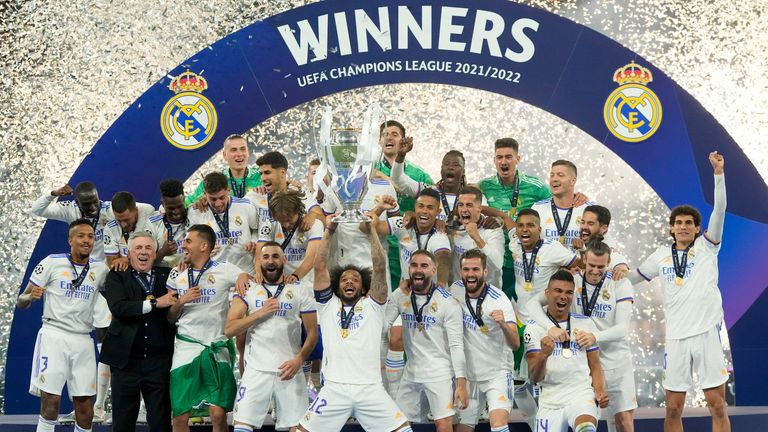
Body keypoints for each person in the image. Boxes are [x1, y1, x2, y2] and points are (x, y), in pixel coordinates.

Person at [629, 152, 730, 432]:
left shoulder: (708, 247)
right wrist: (602, 273)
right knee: (673, 408)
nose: (683, 227)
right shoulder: (660, 255)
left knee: (717, 405)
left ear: (698, 228)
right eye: (678, 223)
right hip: (676, 337)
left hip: (706, 332)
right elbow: (631, 279)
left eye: (688, 223)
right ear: (671, 229)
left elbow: (719, 209)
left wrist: (718, 174)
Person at [298, 214, 412, 432]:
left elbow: (379, 267)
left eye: (355, 279)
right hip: (334, 390)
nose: (349, 280)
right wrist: (329, 230)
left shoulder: (374, 305)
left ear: (363, 288)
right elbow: (319, 267)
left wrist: (371, 230)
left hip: (370, 389)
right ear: (337, 286)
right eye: (344, 279)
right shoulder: (327, 304)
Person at [526, 241, 636, 432]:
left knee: (623, 421)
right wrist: (550, 328)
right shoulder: (571, 281)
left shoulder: (620, 282)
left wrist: (594, 336)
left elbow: (622, 330)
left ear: (609, 263)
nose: (595, 271)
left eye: (601, 266)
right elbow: (532, 305)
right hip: (579, 361)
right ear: (584, 260)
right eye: (591, 265)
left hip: (613, 358)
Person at [17, 219, 109, 432]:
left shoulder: (100, 269)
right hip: (54, 335)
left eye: (90, 237)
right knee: (51, 402)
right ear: (70, 240)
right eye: (81, 236)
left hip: (84, 339)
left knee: (86, 408)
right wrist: (31, 297)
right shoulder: (51, 262)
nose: (86, 241)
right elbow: (21, 301)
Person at [166, 224, 250, 432]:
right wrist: (181, 301)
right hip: (186, 347)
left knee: (218, 414)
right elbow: (169, 317)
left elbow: (247, 279)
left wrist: (242, 276)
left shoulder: (225, 269)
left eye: (188, 241)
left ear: (204, 246)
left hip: (216, 346)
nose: (183, 245)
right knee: (180, 414)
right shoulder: (177, 274)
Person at [225, 242, 318, 432]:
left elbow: (313, 334)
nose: (270, 261)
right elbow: (230, 329)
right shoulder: (248, 288)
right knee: (241, 426)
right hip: (257, 370)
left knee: (298, 429)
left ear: (284, 260)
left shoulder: (300, 290)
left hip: (289, 370)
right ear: (258, 261)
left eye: (275, 256)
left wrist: (299, 360)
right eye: (265, 257)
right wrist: (260, 313)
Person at [506, 208, 581, 429]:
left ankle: (557, 421)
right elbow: (507, 223)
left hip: (546, 321)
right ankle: (537, 424)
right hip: (521, 322)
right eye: (521, 226)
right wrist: (492, 213)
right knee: (518, 383)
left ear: (540, 229)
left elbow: (580, 264)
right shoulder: (514, 243)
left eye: (530, 226)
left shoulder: (552, 249)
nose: (524, 230)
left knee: (546, 380)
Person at [100, 232, 178, 432]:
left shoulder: (168, 275)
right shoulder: (117, 275)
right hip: (125, 362)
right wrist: (154, 303)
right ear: (129, 253)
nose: (143, 252)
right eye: (138, 248)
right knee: (123, 423)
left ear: (155, 253)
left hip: (158, 361)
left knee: (160, 422)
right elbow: (119, 308)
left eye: (148, 248)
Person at [386, 251, 468, 432]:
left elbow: (456, 345)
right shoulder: (400, 296)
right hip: (412, 372)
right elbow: (384, 325)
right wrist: (398, 291)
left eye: (424, 266)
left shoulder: (448, 303)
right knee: (399, 425)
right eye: (414, 265)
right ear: (409, 269)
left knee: (443, 424)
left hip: (439, 373)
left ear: (433, 270)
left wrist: (461, 383)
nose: (418, 270)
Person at [524, 270, 608, 432]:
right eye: (558, 291)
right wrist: (543, 355)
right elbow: (535, 378)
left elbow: (595, 365)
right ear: (547, 293)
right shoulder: (534, 328)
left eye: (569, 292)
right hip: (550, 400)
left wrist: (599, 391)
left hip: (581, 395)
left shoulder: (585, 323)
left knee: (586, 429)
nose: (564, 296)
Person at [452, 249, 519, 432]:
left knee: (498, 425)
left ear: (485, 271)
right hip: (469, 377)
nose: (471, 274)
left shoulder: (499, 300)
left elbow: (515, 344)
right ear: (460, 271)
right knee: (462, 428)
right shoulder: (455, 290)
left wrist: (504, 325)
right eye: (466, 269)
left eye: (475, 269)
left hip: (496, 374)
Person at [477, 138, 551, 300]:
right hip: (497, 260)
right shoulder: (484, 185)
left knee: (525, 309)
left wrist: (579, 197)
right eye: (500, 157)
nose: (504, 161)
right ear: (494, 160)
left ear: (518, 159)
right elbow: (465, 199)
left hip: (525, 260)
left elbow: (559, 204)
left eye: (509, 157)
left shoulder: (536, 187)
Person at [373, 120, 434, 289]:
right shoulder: (369, 168)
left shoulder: (418, 174)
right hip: (380, 238)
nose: (389, 138)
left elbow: (435, 200)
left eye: (394, 134)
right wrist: (384, 178)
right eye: (385, 134)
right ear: (379, 141)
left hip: (409, 240)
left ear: (403, 140)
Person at [30, 181, 148, 260]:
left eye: (94, 201)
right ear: (77, 202)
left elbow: (146, 209)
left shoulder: (109, 209)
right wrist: (54, 194)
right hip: (85, 265)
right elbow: (37, 209)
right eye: (87, 204)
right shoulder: (70, 210)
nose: (92, 207)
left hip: (109, 264)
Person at [187, 172, 260, 275]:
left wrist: (254, 241)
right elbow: (189, 243)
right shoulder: (196, 212)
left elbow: (257, 229)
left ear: (228, 190)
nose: (218, 203)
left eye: (222, 198)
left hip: (246, 271)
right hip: (213, 275)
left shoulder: (245, 205)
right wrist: (200, 252)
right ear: (205, 193)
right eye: (213, 199)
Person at [531, 160, 594, 251]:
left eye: (560, 175)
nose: (554, 179)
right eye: (552, 175)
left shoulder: (590, 209)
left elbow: (605, 243)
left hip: (580, 264)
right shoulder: (537, 209)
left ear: (573, 181)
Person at [245, 151, 323, 224]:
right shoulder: (255, 195)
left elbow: (323, 219)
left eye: (267, 173)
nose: (263, 178)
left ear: (282, 173)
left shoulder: (299, 194)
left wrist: (313, 215)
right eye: (261, 174)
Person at [185, 134, 262, 206]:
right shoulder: (214, 180)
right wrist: (198, 203)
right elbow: (186, 203)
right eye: (233, 150)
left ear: (248, 153)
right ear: (224, 155)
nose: (239, 154)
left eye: (243, 149)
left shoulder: (260, 176)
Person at [452, 186, 505, 287]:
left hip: (488, 294)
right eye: (460, 205)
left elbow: (498, 264)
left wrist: (477, 238)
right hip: (459, 292)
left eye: (469, 205)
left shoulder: (493, 230)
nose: (463, 210)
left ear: (479, 208)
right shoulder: (453, 227)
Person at [104, 191, 161, 271]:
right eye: (119, 220)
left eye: (126, 220)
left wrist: (127, 260)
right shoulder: (110, 228)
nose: (123, 225)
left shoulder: (149, 219)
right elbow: (113, 263)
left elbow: (150, 255)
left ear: (136, 210)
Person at [572, 205, 630, 280]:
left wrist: (620, 272)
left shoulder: (607, 248)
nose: (584, 227)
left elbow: (622, 269)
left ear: (603, 228)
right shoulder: (574, 240)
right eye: (583, 222)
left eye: (590, 224)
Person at [151, 179, 189, 268]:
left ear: (184, 199)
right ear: (162, 203)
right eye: (171, 208)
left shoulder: (194, 214)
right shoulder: (153, 223)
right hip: (163, 275)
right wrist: (162, 252)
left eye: (180, 206)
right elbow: (147, 264)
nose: (176, 212)